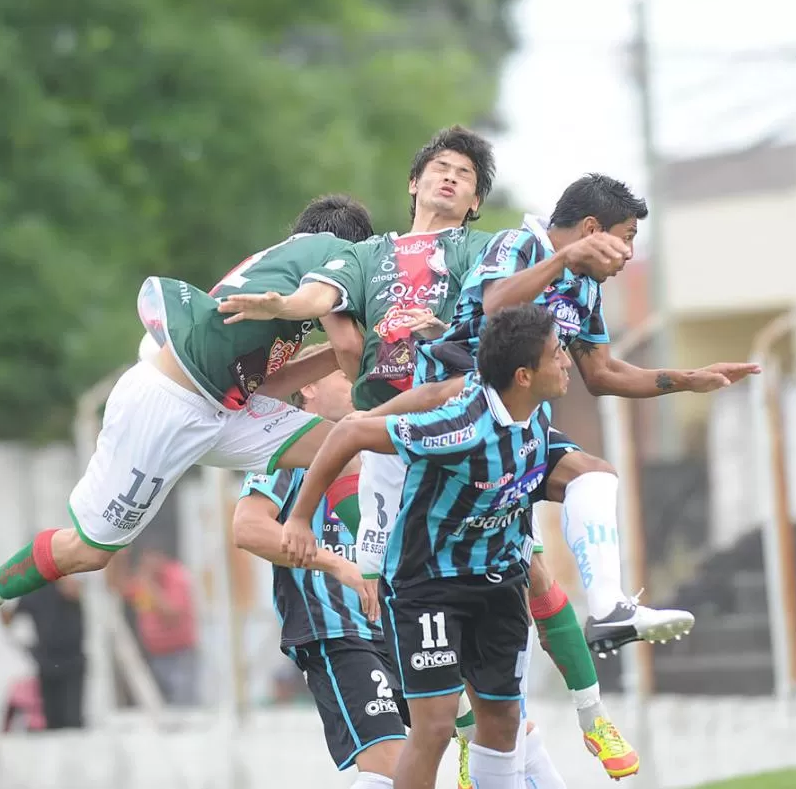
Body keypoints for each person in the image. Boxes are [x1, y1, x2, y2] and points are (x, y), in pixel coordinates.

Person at [217, 127, 638, 780]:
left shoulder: (476, 254)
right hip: (397, 460)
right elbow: (346, 361)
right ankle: (492, 732)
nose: (448, 178)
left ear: (475, 201)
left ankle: (588, 711)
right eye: (438, 167)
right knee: (408, 601)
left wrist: (443, 333)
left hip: (469, 434)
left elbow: (496, 321)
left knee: (526, 573)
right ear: (412, 183)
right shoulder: (372, 268)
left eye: (463, 173)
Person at [0, 194, 374, 668]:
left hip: (221, 408)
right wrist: (382, 378)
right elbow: (352, 343)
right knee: (89, 552)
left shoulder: (285, 273)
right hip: (166, 408)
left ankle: (380, 571)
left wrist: (338, 357)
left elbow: (267, 385)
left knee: (342, 449)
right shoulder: (335, 257)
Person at [402, 173, 759, 656]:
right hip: (461, 414)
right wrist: (563, 258)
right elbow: (495, 303)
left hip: (518, 428)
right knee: (496, 581)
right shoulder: (519, 245)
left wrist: (687, 378)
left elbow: (602, 373)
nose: (631, 253)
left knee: (593, 477)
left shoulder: (585, 288)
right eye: (627, 237)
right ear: (592, 229)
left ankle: (609, 609)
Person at [280, 304, 578, 789]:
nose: (566, 361)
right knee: (436, 727)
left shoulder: (537, 414)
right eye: (556, 353)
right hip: (430, 587)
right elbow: (352, 431)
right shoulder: (458, 427)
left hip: (501, 583)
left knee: (502, 723)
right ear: (524, 375)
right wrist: (298, 518)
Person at [233, 344, 406, 788]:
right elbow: (249, 528)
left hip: (397, 628)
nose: (357, 384)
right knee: (390, 763)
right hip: (338, 633)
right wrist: (336, 565)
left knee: (454, 748)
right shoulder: (287, 450)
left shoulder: (378, 449)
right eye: (345, 376)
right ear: (307, 387)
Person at [112, 548, 199, 707]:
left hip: (179, 654)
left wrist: (149, 584)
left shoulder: (176, 576)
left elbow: (171, 614)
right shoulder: (145, 582)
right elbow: (120, 589)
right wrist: (118, 560)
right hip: (155, 654)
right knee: (163, 704)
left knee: (183, 705)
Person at [0, 577, 86, 729]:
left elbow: (76, 588)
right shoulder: (33, 588)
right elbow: (8, 618)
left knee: (72, 721)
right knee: (52, 722)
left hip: (71, 663)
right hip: (47, 665)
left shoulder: (67, 576)